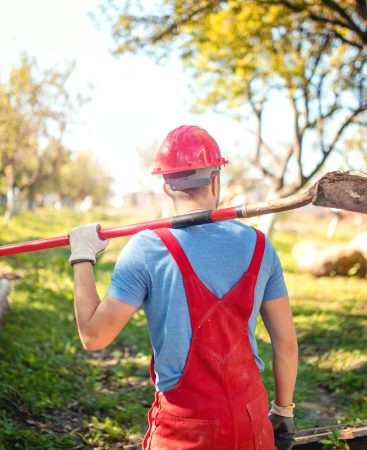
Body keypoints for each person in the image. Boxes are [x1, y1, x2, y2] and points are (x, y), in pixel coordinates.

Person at [69, 125, 298, 450]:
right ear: (216, 179)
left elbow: (93, 336)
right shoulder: (261, 247)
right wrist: (283, 410)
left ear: (165, 186)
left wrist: (82, 255)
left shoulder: (146, 249)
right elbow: (286, 343)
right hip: (252, 423)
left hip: (184, 432)